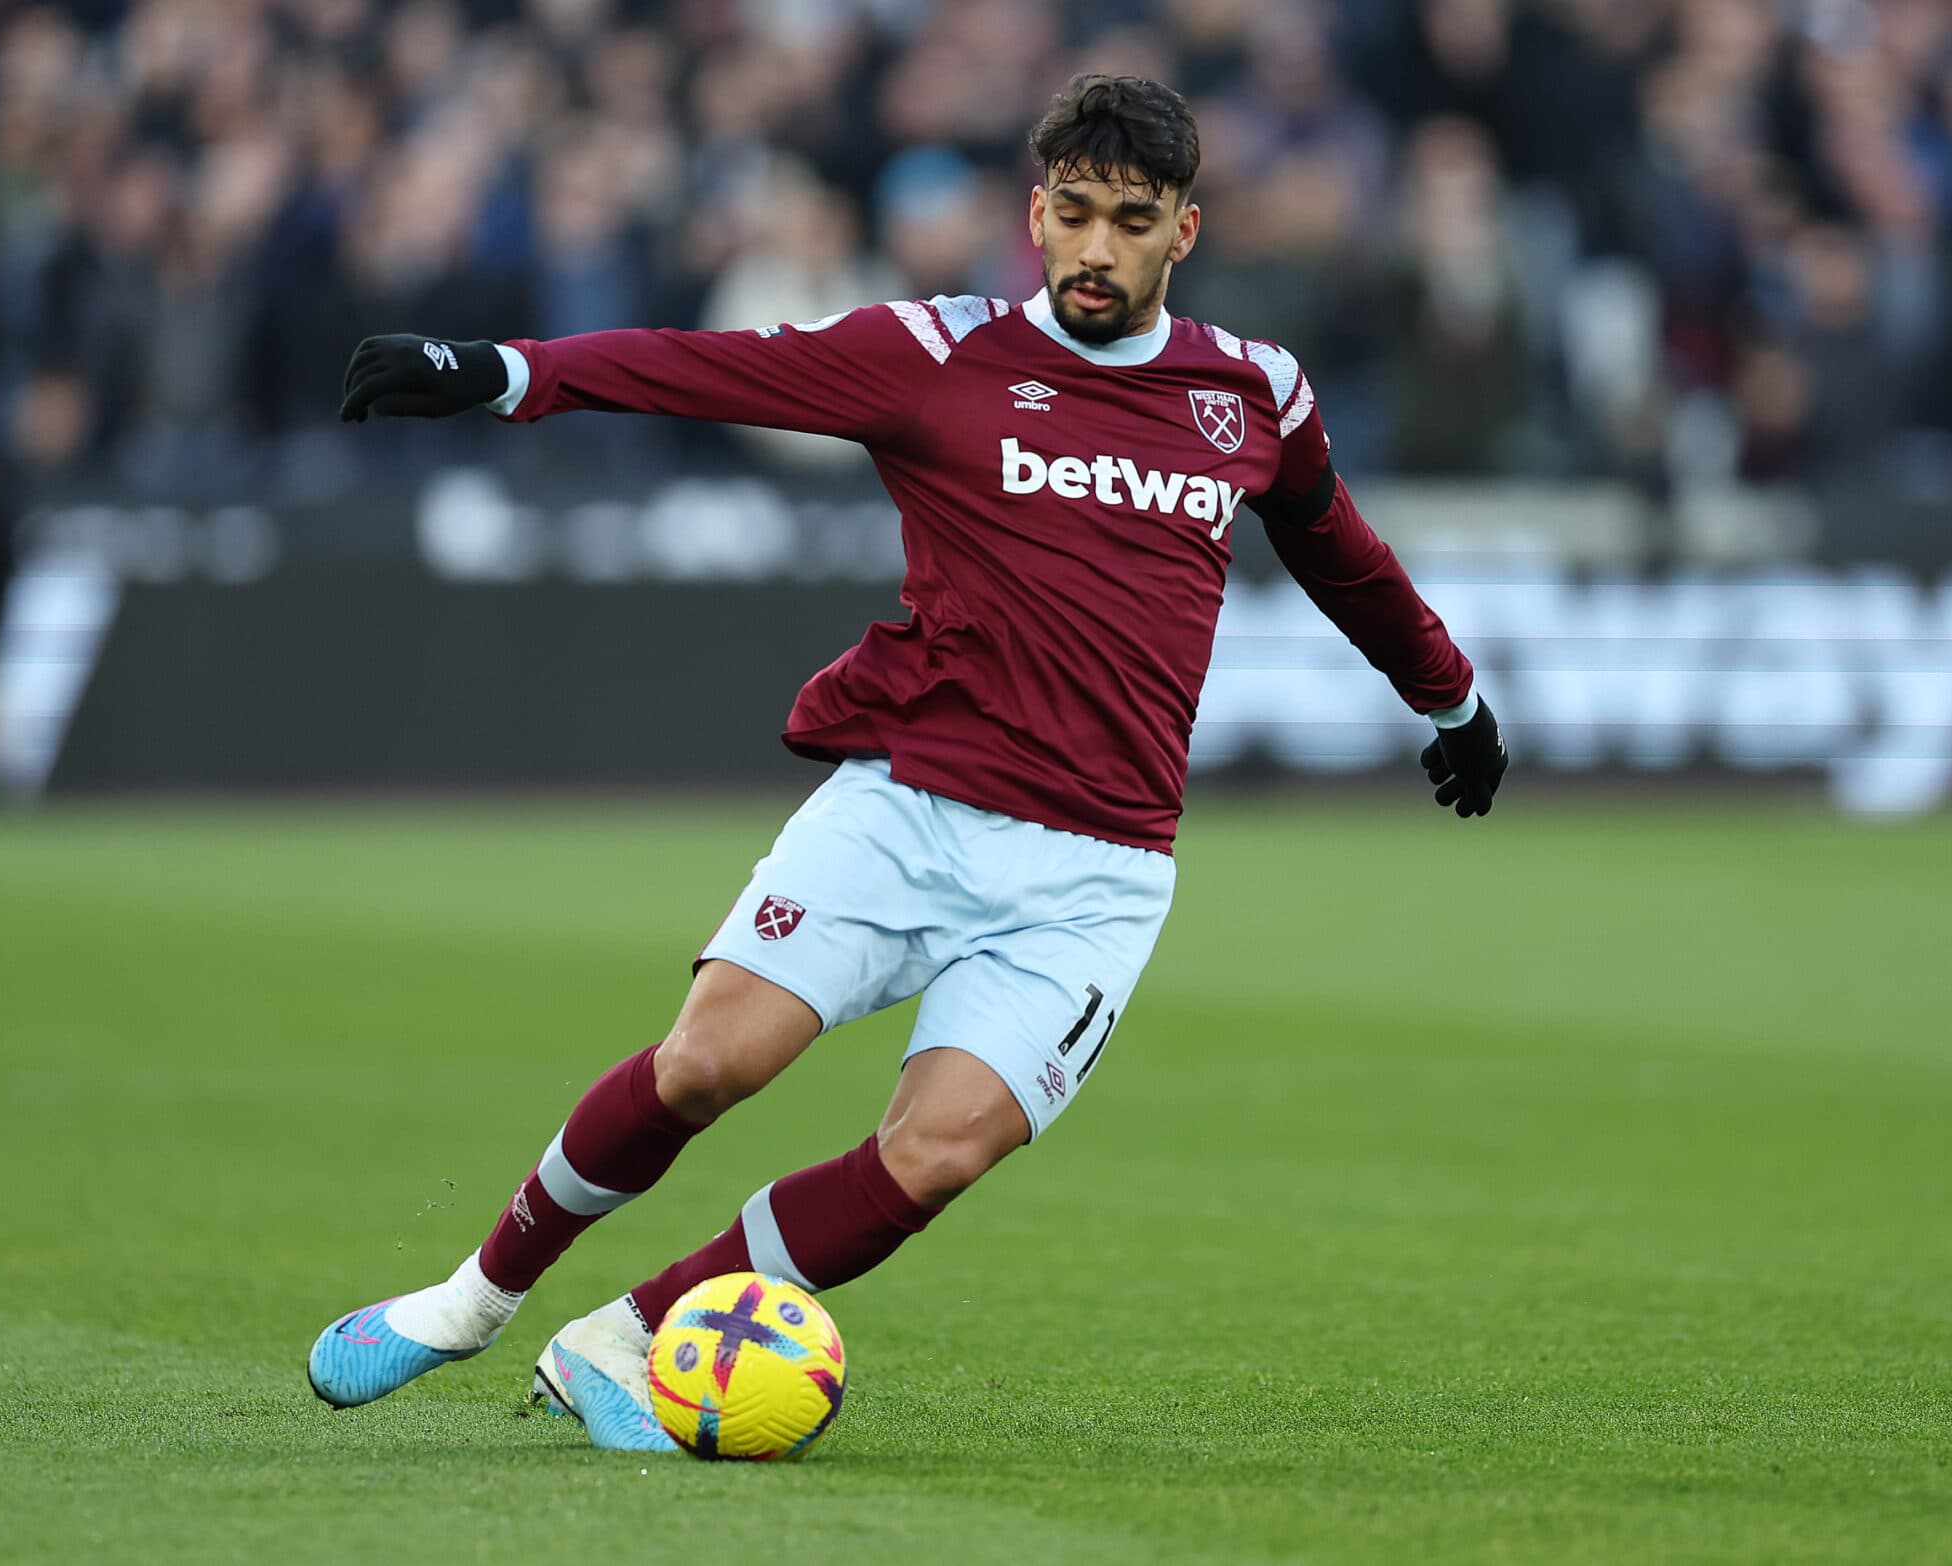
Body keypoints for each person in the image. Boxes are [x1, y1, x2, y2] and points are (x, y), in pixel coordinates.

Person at [307, 75, 1508, 1453]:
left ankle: (627, 1335)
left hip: (1101, 870)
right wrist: (503, 373)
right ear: (1034, 213)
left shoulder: (1256, 395)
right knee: (708, 1064)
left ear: (1185, 230)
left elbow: (1342, 554)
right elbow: (707, 366)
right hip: (911, 809)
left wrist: (1452, 698)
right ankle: (470, 1301)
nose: (1096, 249)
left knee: (935, 1154)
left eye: (1131, 222)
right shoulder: (937, 352)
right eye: (1074, 214)